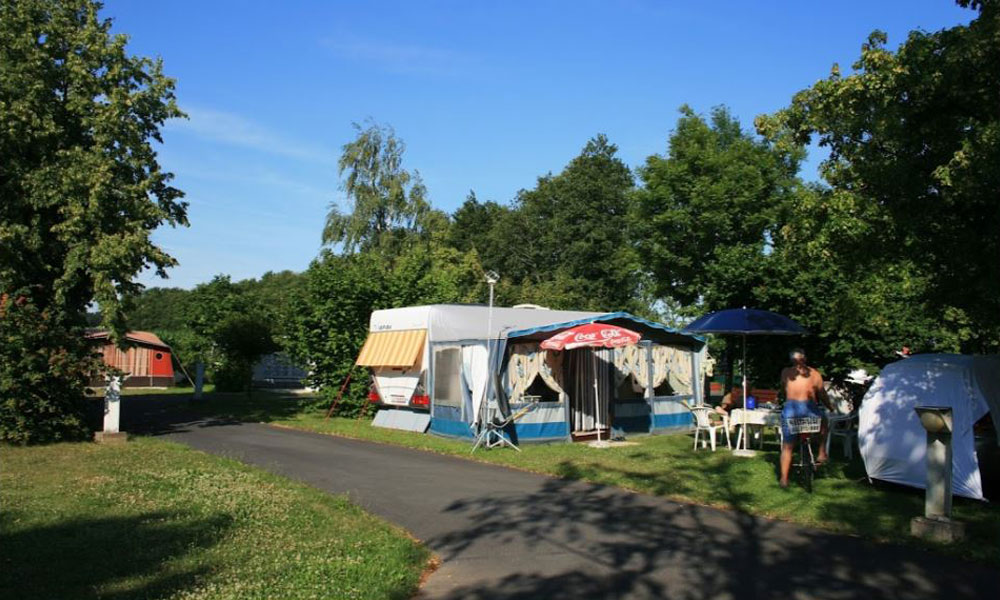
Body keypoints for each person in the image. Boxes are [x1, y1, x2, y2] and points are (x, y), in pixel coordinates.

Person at [779, 348, 833, 488]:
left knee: (787, 446)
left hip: (791, 408)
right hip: (808, 408)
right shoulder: (814, 374)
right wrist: (830, 407)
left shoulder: (785, 373)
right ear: (805, 359)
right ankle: (821, 452)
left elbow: (784, 388)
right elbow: (822, 394)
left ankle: (784, 479)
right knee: (823, 423)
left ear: (792, 360)